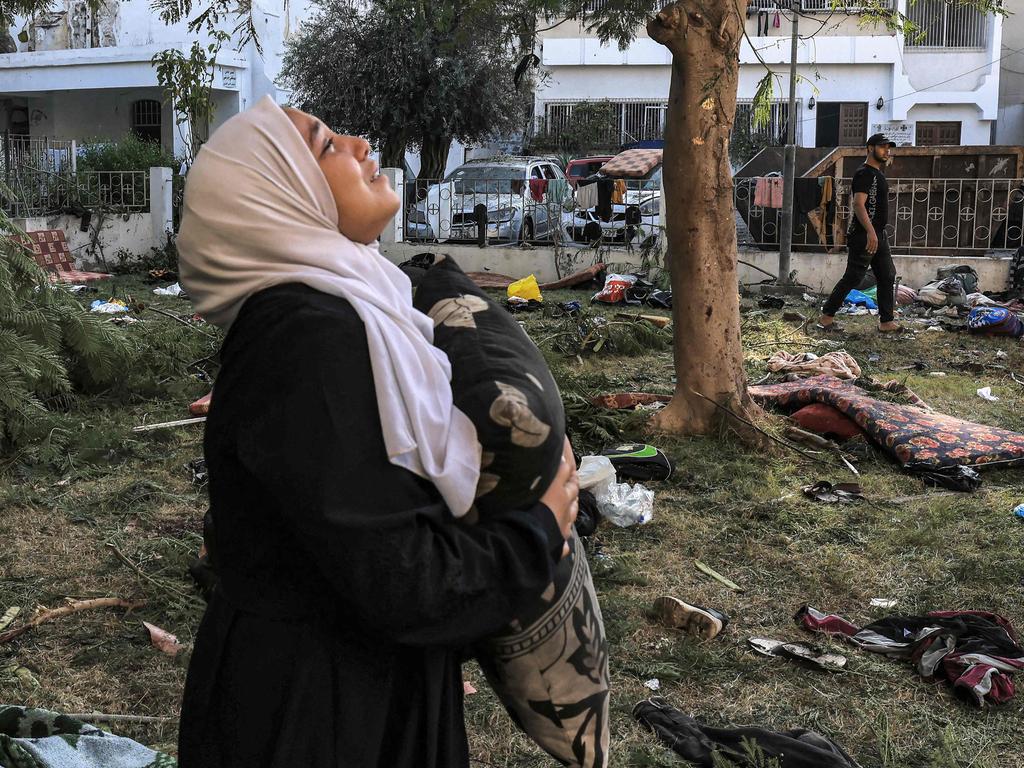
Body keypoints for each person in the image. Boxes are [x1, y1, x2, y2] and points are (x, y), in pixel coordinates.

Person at [174, 96, 580, 768]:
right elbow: (402, 583)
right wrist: (537, 532)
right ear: (281, 193)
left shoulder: (350, 311)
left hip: (353, 688)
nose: (361, 143)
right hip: (318, 715)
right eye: (324, 144)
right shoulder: (306, 337)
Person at [818, 133, 901, 333]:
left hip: (878, 235)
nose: (886, 151)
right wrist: (871, 233)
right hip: (864, 236)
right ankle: (826, 317)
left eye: (888, 147)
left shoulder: (878, 174)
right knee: (853, 277)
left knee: (887, 275)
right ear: (869, 148)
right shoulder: (865, 173)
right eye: (882, 147)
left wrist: (877, 233)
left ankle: (886, 322)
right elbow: (858, 204)